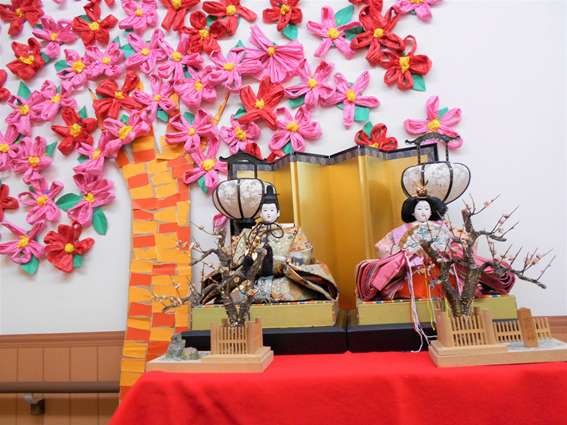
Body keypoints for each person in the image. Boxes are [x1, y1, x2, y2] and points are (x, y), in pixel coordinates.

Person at [356, 194, 515, 301]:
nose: (423, 212)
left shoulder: (444, 226)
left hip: (443, 265)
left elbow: (463, 242)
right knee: (412, 282)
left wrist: (449, 249)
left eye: (426, 209)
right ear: (412, 212)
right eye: (419, 209)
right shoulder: (400, 230)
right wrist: (406, 253)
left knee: (454, 281)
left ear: (432, 211)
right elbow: (383, 247)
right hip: (414, 268)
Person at [201, 186, 338, 304]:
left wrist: (275, 263)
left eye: (272, 210)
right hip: (251, 280)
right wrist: (250, 263)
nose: (268, 214)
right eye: (265, 211)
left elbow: (302, 255)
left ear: (278, 213)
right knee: (233, 294)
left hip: (284, 278)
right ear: (260, 213)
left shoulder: (292, 231)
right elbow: (236, 260)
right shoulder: (248, 233)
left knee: (293, 291)